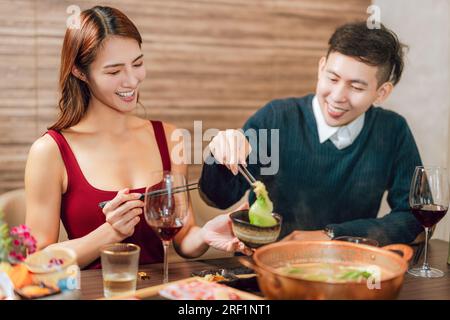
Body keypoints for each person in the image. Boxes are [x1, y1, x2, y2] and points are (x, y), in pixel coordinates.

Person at [25, 6, 250, 269]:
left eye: (138, 63)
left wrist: (206, 234)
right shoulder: (51, 150)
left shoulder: (169, 137)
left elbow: (182, 237)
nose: (132, 80)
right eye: (114, 71)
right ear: (79, 71)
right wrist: (110, 233)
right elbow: (37, 261)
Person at [199, 22, 423, 246]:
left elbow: (414, 216)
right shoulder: (277, 118)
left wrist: (330, 235)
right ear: (321, 68)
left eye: (356, 87)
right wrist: (220, 155)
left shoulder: (392, 131)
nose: (337, 96)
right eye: (332, 78)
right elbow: (218, 198)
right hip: (264, 265)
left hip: (348, 266)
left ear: (381, 93)